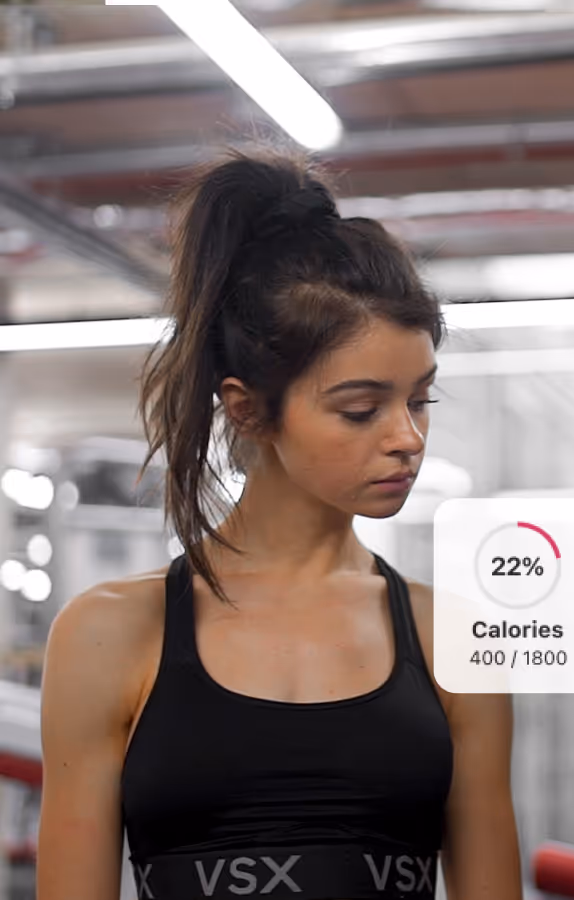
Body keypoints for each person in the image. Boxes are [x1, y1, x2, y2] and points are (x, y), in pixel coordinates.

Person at [37, 151, 522, 900]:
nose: (407, 437)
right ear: (247, 408)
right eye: (361, 409)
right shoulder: (107, 633)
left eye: (421, 399)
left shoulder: (455, 639)